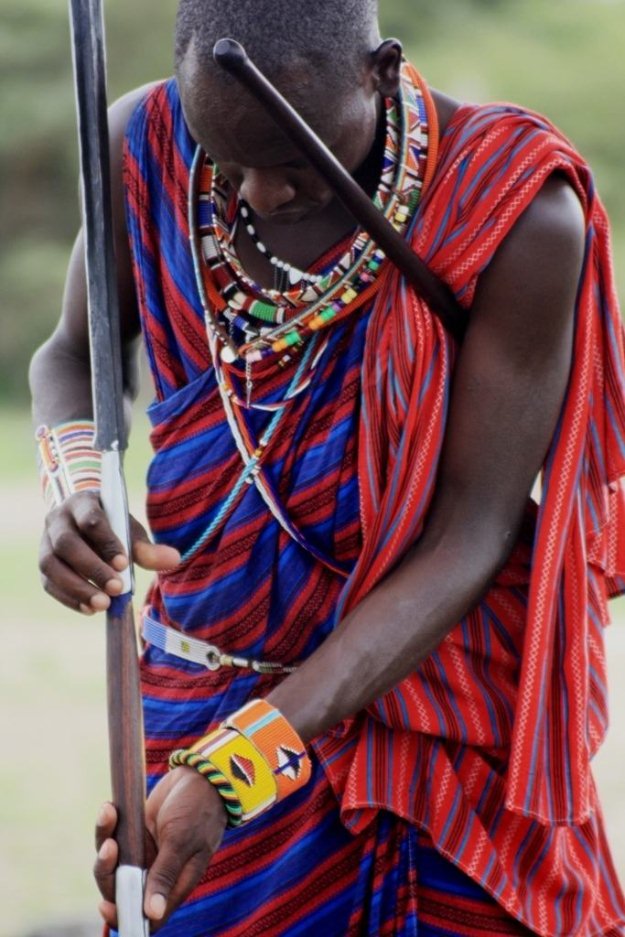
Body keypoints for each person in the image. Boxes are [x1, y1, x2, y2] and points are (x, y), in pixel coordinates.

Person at [29, 1, 625, 934]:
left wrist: (239, 767)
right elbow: (70, 355)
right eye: (228, 161)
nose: (261, 195)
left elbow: (471, 532)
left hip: (427, 722)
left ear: (379, 73)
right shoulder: (140, 150)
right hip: (200, 703)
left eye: (296, 160)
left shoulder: (508, 211)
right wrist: (75, 488)